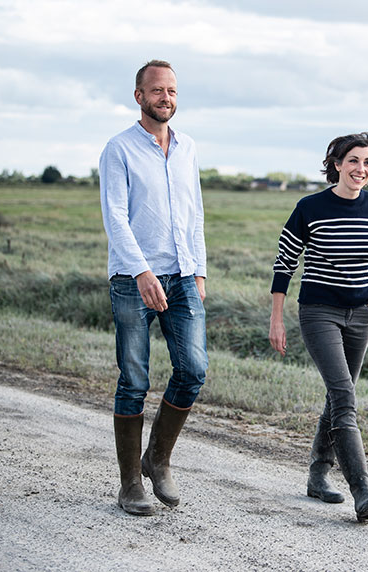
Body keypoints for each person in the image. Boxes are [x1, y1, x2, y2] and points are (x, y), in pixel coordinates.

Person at [99, 60, 208, 516]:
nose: (167, 98)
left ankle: (157, 458)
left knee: (194, 369)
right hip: (131, 280)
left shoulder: (187, 148)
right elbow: (115, 218)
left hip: (183, 277)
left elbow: (194, 212)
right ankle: (130, 485)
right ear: (139, 96)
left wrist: (198, 271)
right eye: (157, 90)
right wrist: (142, 272)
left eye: (173, 91)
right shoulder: (119, 149)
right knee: (134, 379)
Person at [268, 132, 368, 522]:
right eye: (353, 160)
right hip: (320, 312)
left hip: (362, 315)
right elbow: (284, 263)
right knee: (345, 398)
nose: (361, 169)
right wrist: (277, 318)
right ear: (336, 164)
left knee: (339, 396)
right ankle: (362, 490)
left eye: (367, 162)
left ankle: (318, 475)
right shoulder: (310, 207)